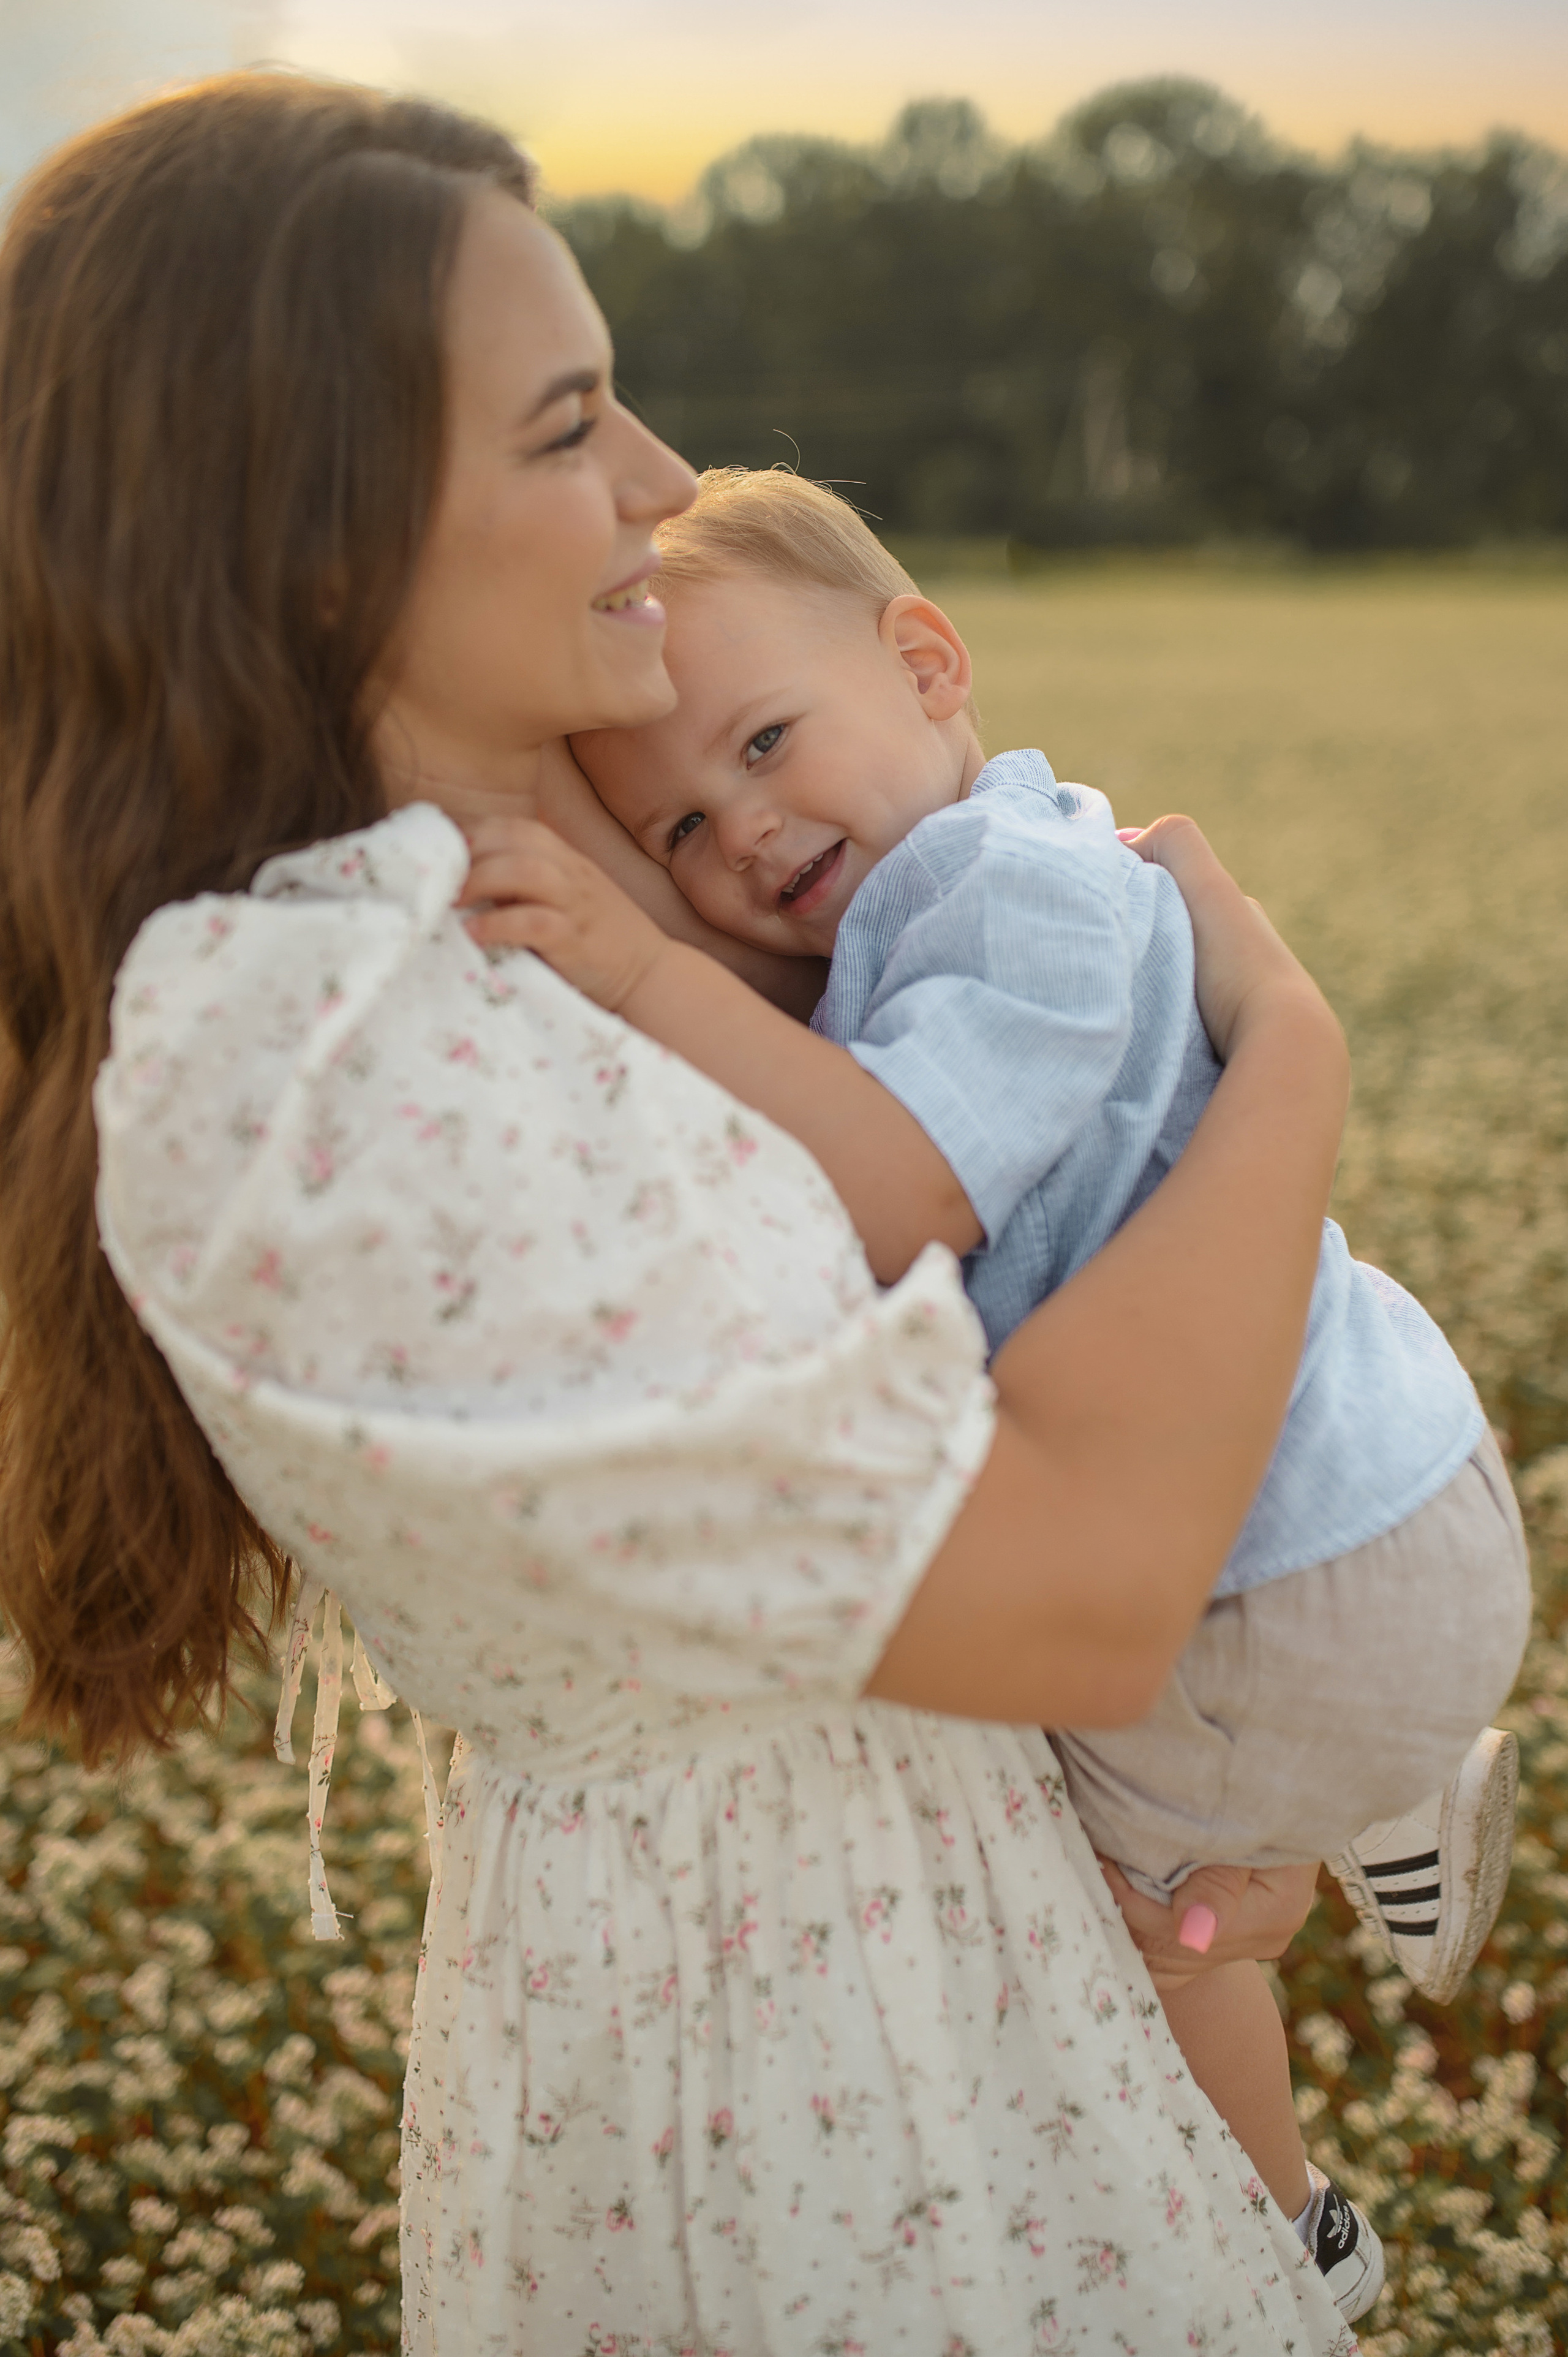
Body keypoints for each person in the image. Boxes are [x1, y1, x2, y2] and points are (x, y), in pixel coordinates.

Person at [1, 72, 1360, 2356]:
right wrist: (1295, 1061)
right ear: (319, 544)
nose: (658, 483)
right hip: (796, 2108)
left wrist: (1206, 1800)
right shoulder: (318, 1047)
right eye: (565, 428)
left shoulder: (573, 882)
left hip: (971, 1981)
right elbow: (1071, 1593)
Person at [474, 464, 1531, 2297]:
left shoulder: (1012, 888)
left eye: (769, 739)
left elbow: (906, 1177)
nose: (741, 830)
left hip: (1292, 1563)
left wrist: (645, 965)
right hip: (1331, 1516)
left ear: (931, 662)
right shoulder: (952, 895)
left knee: (1127, 1925)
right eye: (678, 834)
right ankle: (1374, 1794)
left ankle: (1293, 2236)